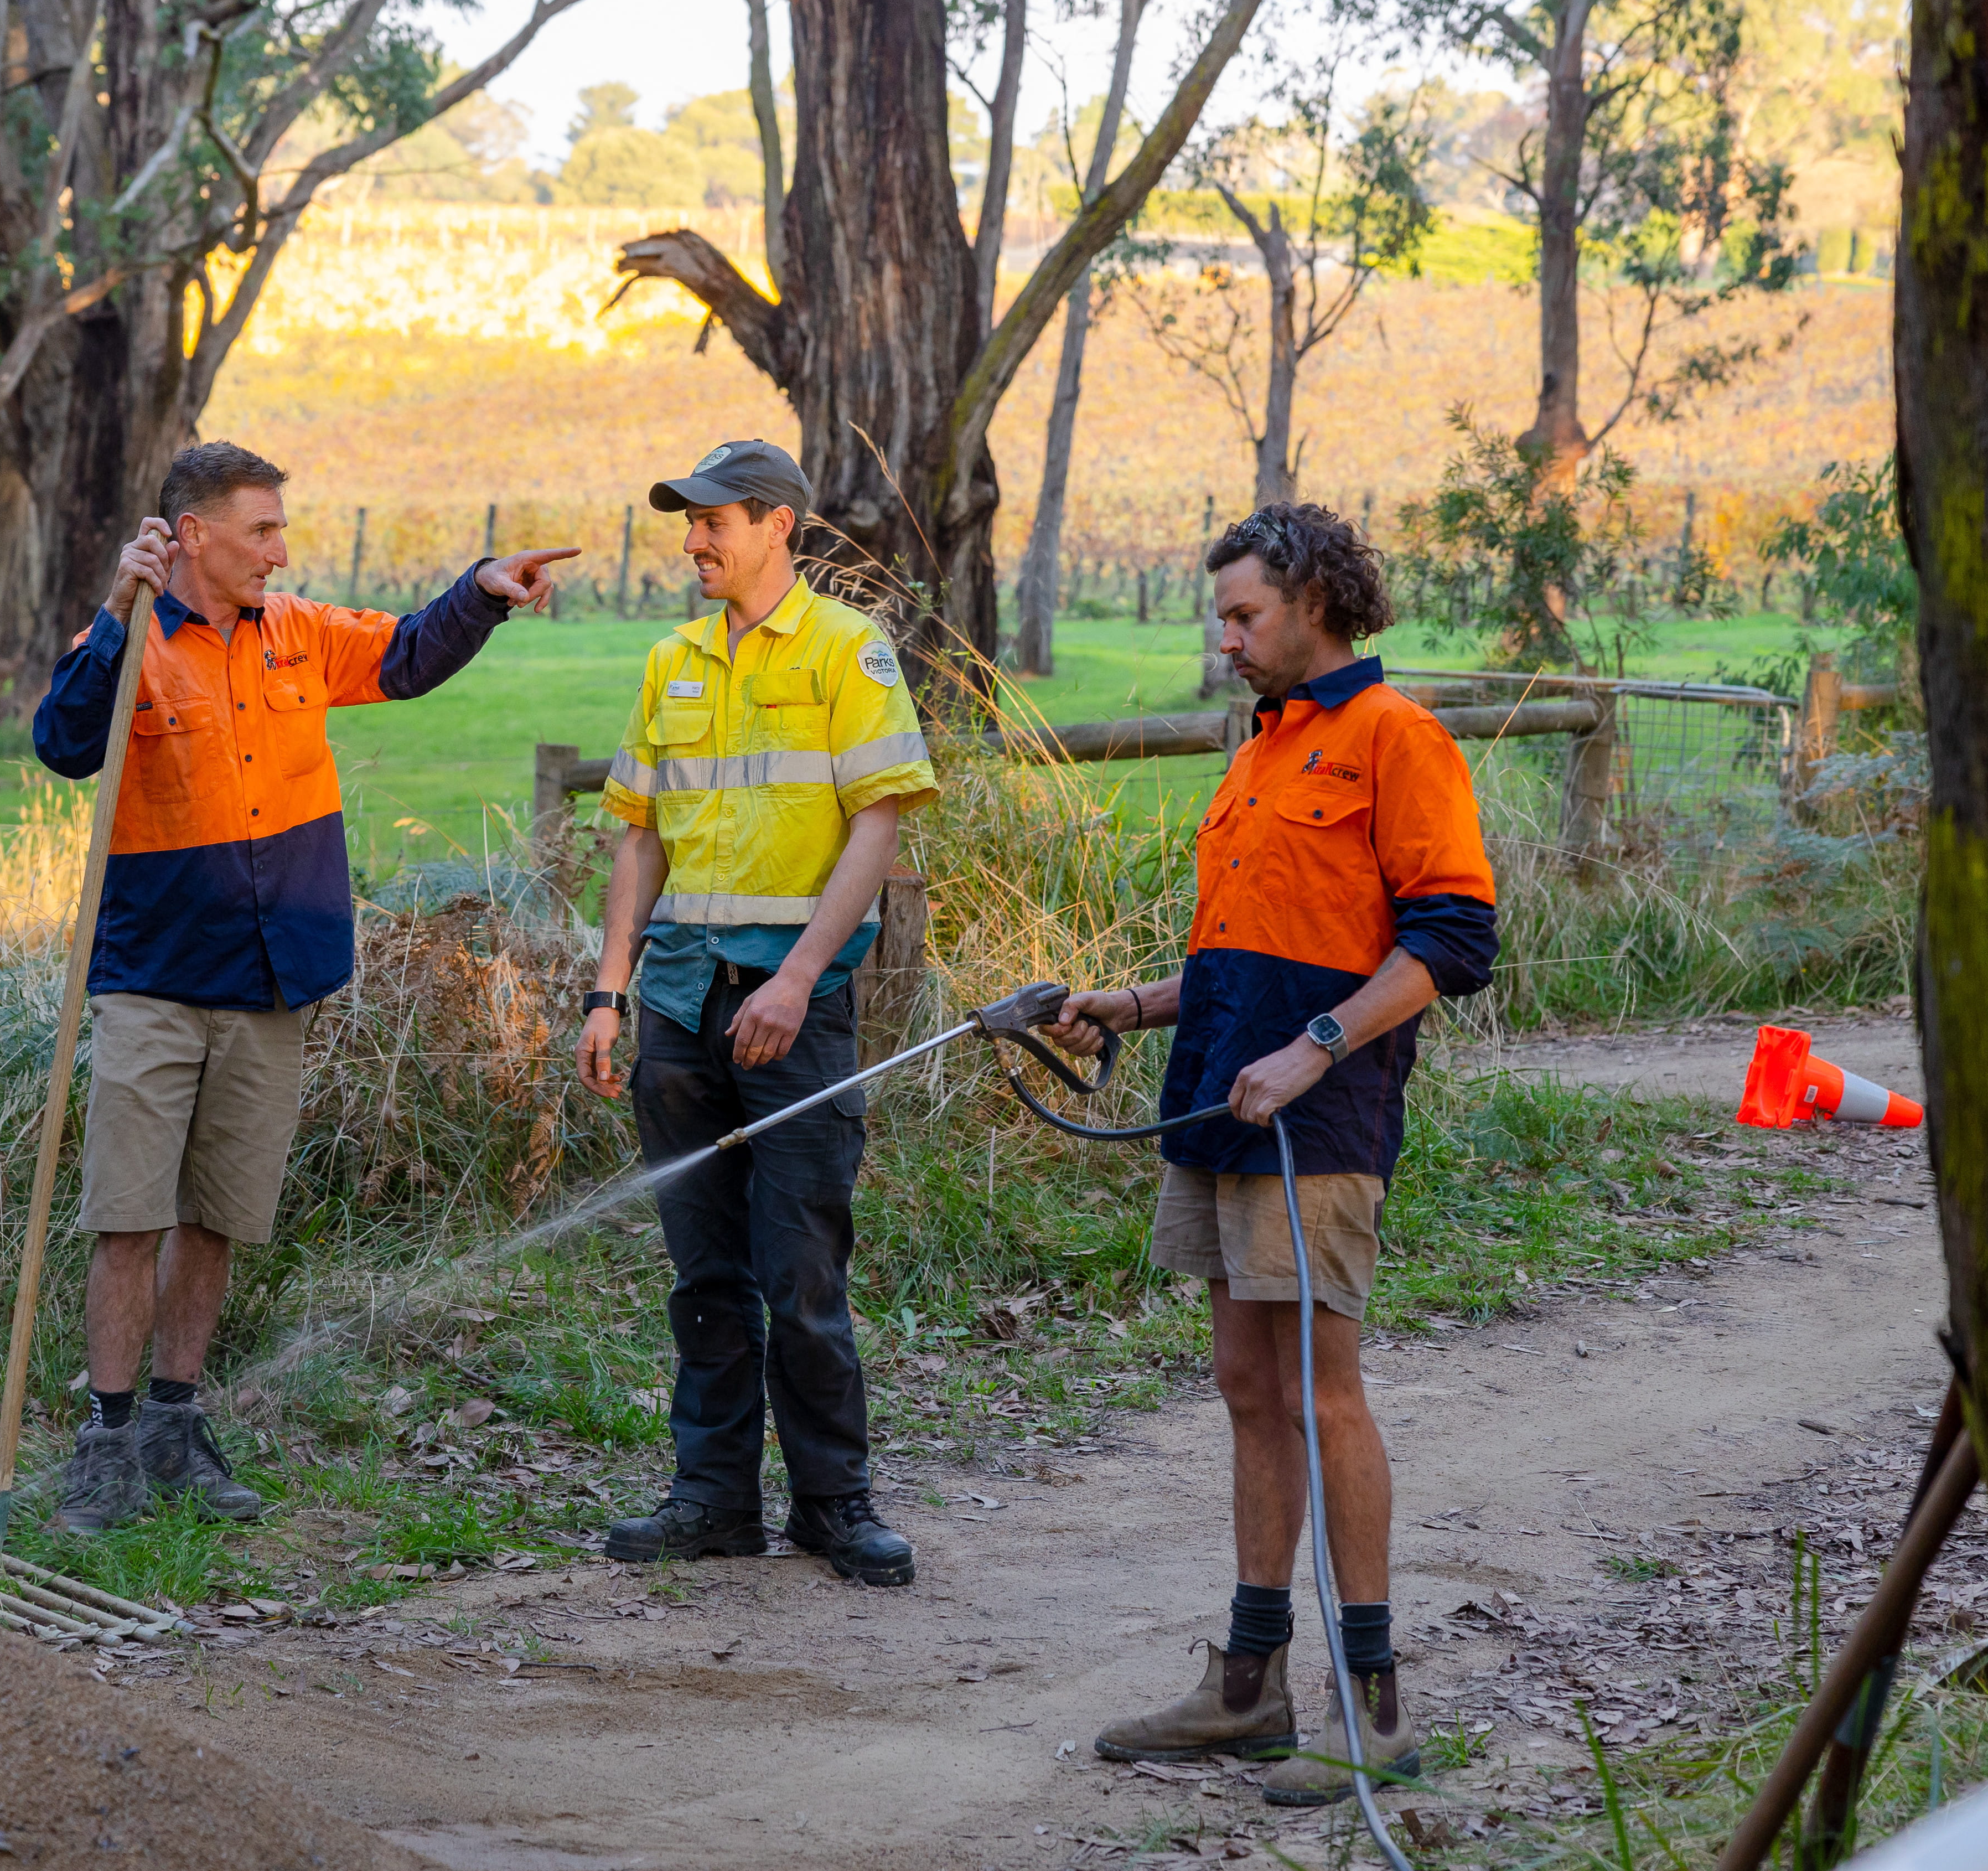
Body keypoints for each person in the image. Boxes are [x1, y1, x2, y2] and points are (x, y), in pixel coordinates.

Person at [32, 440, 578, 1534]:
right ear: (194, 536)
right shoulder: (132, 632)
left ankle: (177, 1432)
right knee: (128, 1217)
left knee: (220, 1216)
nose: (282, 551)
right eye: (262, 530)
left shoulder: (300, 634)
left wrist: (480, 591)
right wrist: (115, 608)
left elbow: (410, 657)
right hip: (151, 976)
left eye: (281, 529)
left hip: (275, 976)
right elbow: (63, 744)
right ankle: (107, 1442)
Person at [1050, 503, 1496, 1804]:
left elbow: (1452, 944)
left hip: (1321, 1119)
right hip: (1214, 1106)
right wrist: (1125, 1006)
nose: (1226, 638)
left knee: (1319, 1392)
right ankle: (1248, 1688)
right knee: (1246, 1384)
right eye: (1223, 615)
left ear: (1315, 601)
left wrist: (1315, 1046)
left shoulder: (1394, 739)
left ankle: (1378, 1712)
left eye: (1245, 614)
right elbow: (1239, 956)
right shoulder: (1261, 749)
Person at [573, 439, 939, 1586]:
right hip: (677, 1005)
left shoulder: (848, 651)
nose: (693, 541)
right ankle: (713, 1501)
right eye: (688, 522)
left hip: (797, 1006)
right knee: (703, 1273)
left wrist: (795, 979)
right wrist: (609, 989)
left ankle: (835, 1506)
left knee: (803, 1271)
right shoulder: (671, 660)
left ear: (778, 525)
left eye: (713, 521)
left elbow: (878, 825)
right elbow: (636, 835)